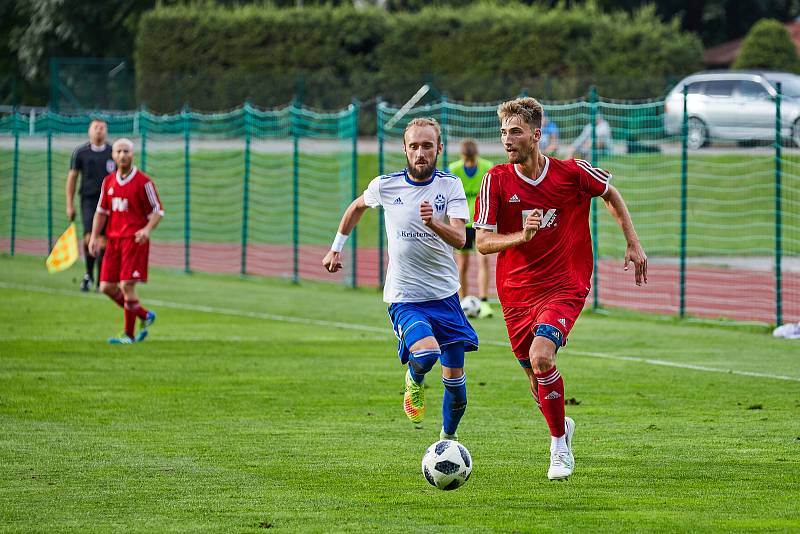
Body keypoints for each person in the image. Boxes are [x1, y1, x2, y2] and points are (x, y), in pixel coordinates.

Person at [474, 97, 647, 480]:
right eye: (503, 132)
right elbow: (482, 243)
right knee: (535, 380)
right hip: (516, 293)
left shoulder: (571, 173)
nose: (507, 139)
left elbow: (610, 194)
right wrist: (522, 235)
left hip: (565, 284)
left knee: (542, 358)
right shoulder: (496, 180)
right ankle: (561, 427)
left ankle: (557, 449)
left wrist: (633, 242)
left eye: (515, 132)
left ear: (537, 135)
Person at [322, 118, 478, 441]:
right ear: (405, 149)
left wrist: (433, 223)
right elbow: (356, 207)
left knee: (458, 391)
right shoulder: (386, 185)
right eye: (414, 146)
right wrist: (336, 248)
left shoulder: (450, 186)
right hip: (405, 297)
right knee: (425, 353)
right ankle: (415, 380)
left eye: (427, 146)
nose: (420, 152)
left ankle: (446, 443)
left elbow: (462, 238)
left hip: (446, 297)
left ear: (439, 148)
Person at [89, 139, 162, 344]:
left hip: (134, 240)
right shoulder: (109, 182)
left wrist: (147, 230)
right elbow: (101, 212)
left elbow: (158, 211)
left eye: (126, 151)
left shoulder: (143, 182)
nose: (122, 155)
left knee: (127, 285)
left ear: (133, 154)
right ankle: (144, 314)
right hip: (113, 241)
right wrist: (94, 236)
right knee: (106, 286)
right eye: (119, 151)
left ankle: (129, 335)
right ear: (113, 155)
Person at [67, 118, 115, 291]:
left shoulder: (113, 152)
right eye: (96, 127)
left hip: (109, 202)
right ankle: (89, 275)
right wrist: (69, 204)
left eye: (102, 127)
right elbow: (72, 178)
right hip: (88, 200)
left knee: (104, 240)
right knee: (89, 237)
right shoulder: (80, 153)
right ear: (90, 131)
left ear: (106, 131)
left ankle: (101, 279)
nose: (99, 131)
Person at [448, 139, 495, 318]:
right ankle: (463, 302)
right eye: (466, 159)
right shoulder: (454, 170)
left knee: (483, 261)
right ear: (462, 156)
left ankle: (483, 302)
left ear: (476, 155)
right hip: (461, 222)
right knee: (463, 264)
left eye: (471, 159)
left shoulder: (487, 167)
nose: (469, 163)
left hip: (481, 221)